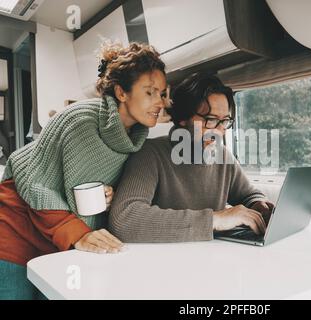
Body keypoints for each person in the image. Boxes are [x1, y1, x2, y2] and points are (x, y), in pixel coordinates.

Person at [0, 42, 170, 299]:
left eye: (162, 93)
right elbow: (36, 182)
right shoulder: (80, 120)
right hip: (15, 232)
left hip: (56, 243)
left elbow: (79, 185)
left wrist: (109, 197)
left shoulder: (135, 141)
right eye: (150, 92)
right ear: (122, 92)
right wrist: (78, 234)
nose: (160, 102)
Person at [109, 73, 274, 243]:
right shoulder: (149, 154)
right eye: (210, 120)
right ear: (182, 118)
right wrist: (214, 220)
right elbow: (124, 220)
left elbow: (248, 195)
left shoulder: (223, 155)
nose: (219, 131)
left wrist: (258, 205)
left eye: (224, 121)